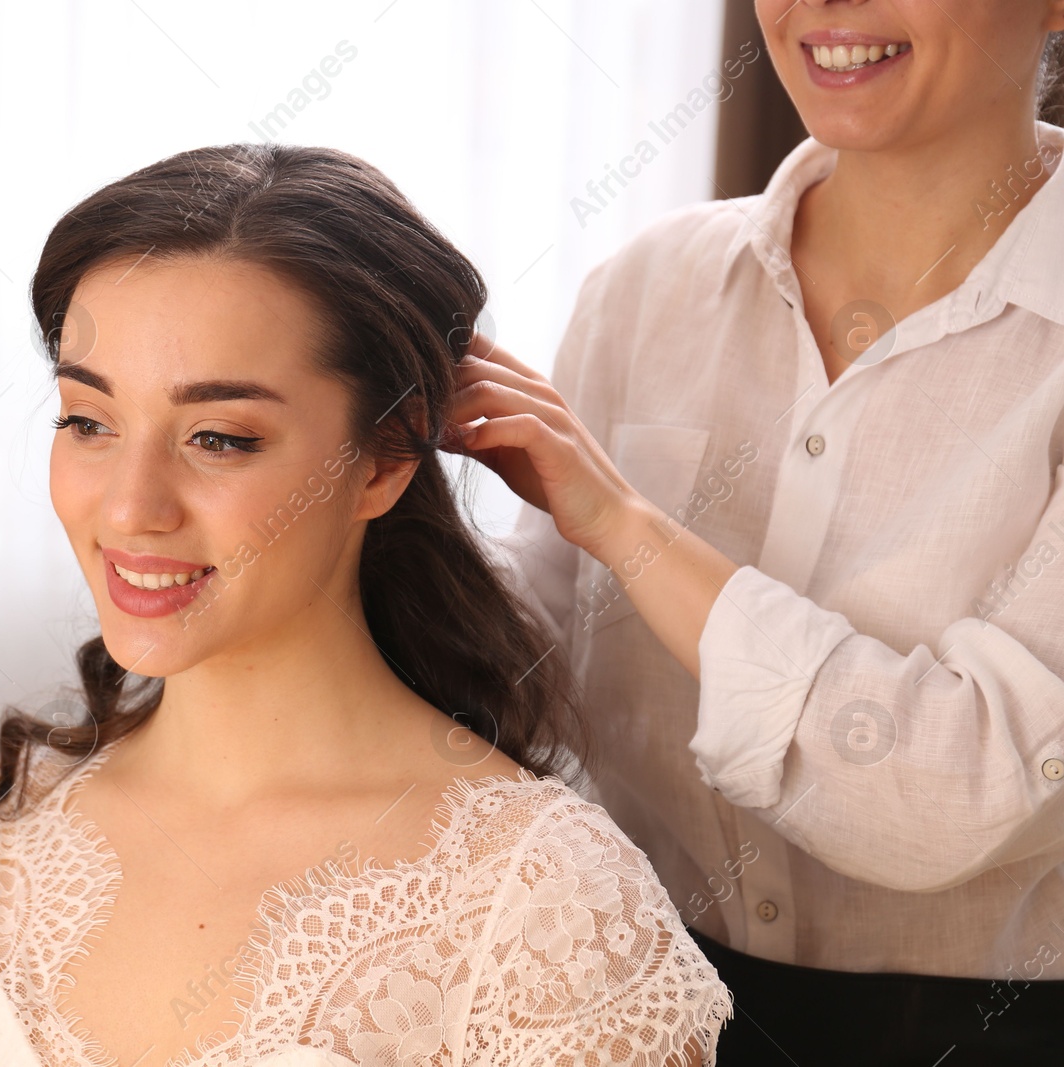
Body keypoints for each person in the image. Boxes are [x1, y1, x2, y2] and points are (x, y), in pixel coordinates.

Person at [0, 143, 731, 1066]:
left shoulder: (546, 909)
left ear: (385, 459)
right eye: (88, 421)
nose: (129, 508)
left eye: (219, 438)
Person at [447, 1, 1064, 1062]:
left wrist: (627, 527)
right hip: (636, 1007)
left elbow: (958, 791)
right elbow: (532, 676)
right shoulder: (648, 284)